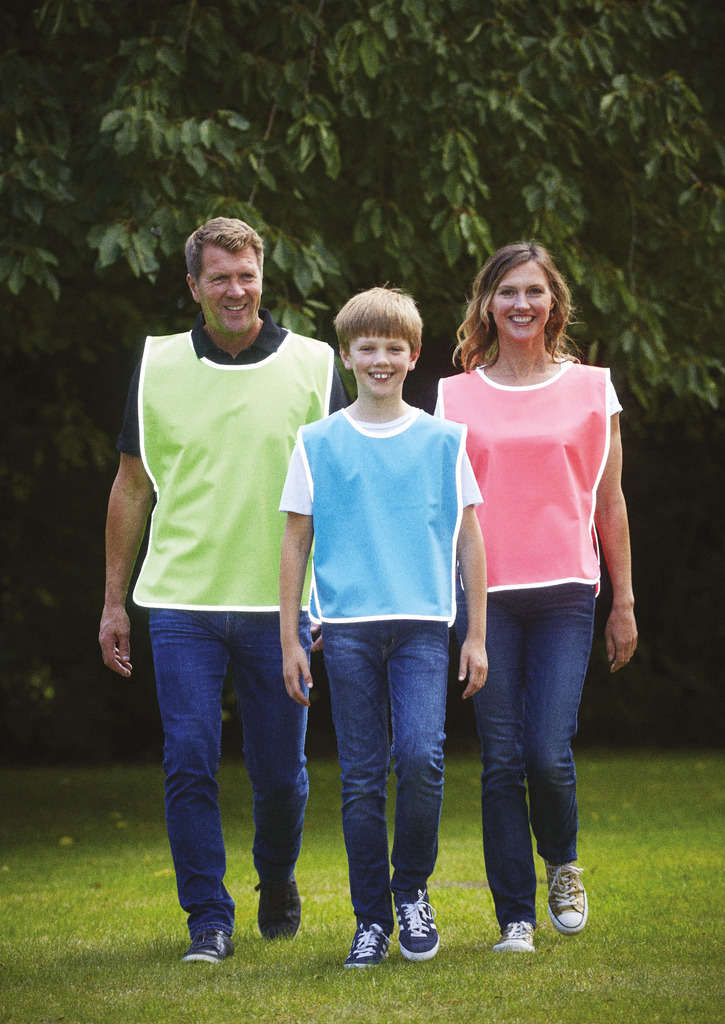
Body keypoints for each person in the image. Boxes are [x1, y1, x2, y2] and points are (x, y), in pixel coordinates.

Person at [98, 217, 347, 963]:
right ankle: (207, 917)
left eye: (246, 276)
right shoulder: (158, 364)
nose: (235, 290)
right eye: (219, 278)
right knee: (188, 757)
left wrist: (329, 597)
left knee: (281, 776)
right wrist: (112, 600)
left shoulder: (314, 364)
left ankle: (276, 876)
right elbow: (132, 486)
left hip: (282, 606)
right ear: (194, 286)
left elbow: (339, 490)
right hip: (182, 600)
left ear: (262, 279)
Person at [437, 242, 638, 954]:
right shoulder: (453, 397)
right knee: (500, 758)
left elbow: (609, 502)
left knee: (547, 752)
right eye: (507, 292)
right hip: (484, 601)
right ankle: (514, 918)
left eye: (533, 291)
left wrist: (623, 602)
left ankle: (562, 864)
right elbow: (440, 511)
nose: (520, 304)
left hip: (565, 595)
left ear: (554, 303)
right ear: (486, 305)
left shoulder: (593, 389)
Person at [279, 286, 488, 968]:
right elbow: (295, 542)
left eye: (393, 348)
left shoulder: (443, 439)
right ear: (346, 356)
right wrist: (290, 637)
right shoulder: (317, 442)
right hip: (346, 630)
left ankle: (411, 891)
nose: (380, 359)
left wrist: (476, 635)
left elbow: (469, 540)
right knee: (363, 777)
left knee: (422, 758)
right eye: (366, 347)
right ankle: (369, 919)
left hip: (423, 627)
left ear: (413, 355)